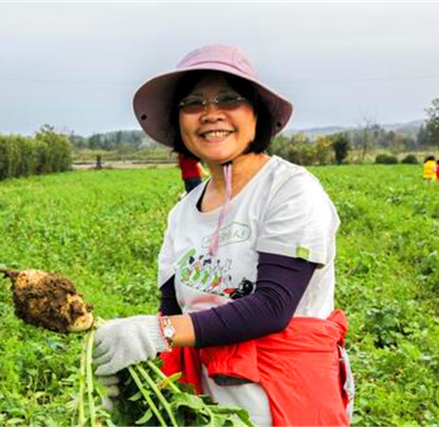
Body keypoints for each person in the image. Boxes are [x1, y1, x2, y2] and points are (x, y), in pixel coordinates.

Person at [92, 45, 353, 427]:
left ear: (255, 114)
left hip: (286, 399)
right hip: (206, 405)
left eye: (229, 99)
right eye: (194, 103)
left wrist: (157, 332)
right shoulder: (182, 213)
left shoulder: (290, 189)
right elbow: (173, 311)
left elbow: (273, 306)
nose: (211, 113)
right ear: (179, 121)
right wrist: (132, 369)